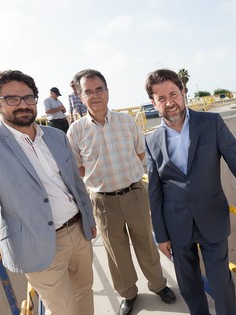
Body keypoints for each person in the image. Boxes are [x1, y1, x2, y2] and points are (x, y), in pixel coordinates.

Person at [0, 70, 97, 315]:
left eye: (29, 98)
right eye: (12, 99)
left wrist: (89, 219)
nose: (23, 105)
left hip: (78, 232)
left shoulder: (56, 136)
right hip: (35, 244)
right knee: (65, 310)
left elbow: (75, 183)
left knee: (85, 293)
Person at [144, 69, 236, 315]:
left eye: (173, 94)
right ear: (153, 103)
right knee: (189, 287)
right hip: (176, 225)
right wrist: (161, 235)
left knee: (221, 286)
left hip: (211, 219)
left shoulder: (211, 124)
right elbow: (155, 192)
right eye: (161, 98)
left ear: (183, 93)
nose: (170, 103)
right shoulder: (151, 140)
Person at [67, 69, 176, 315]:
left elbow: (140, 155)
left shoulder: (126, 122)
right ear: (80, 96)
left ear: (107, 92)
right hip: (103, 201)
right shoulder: (75, 132)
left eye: (99, 90)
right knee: (116, 252)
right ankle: (128, 294)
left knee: (146, 243)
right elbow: (79, 169)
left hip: (134, 192)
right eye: (88, 92)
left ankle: (158, 285)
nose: (95, 96)